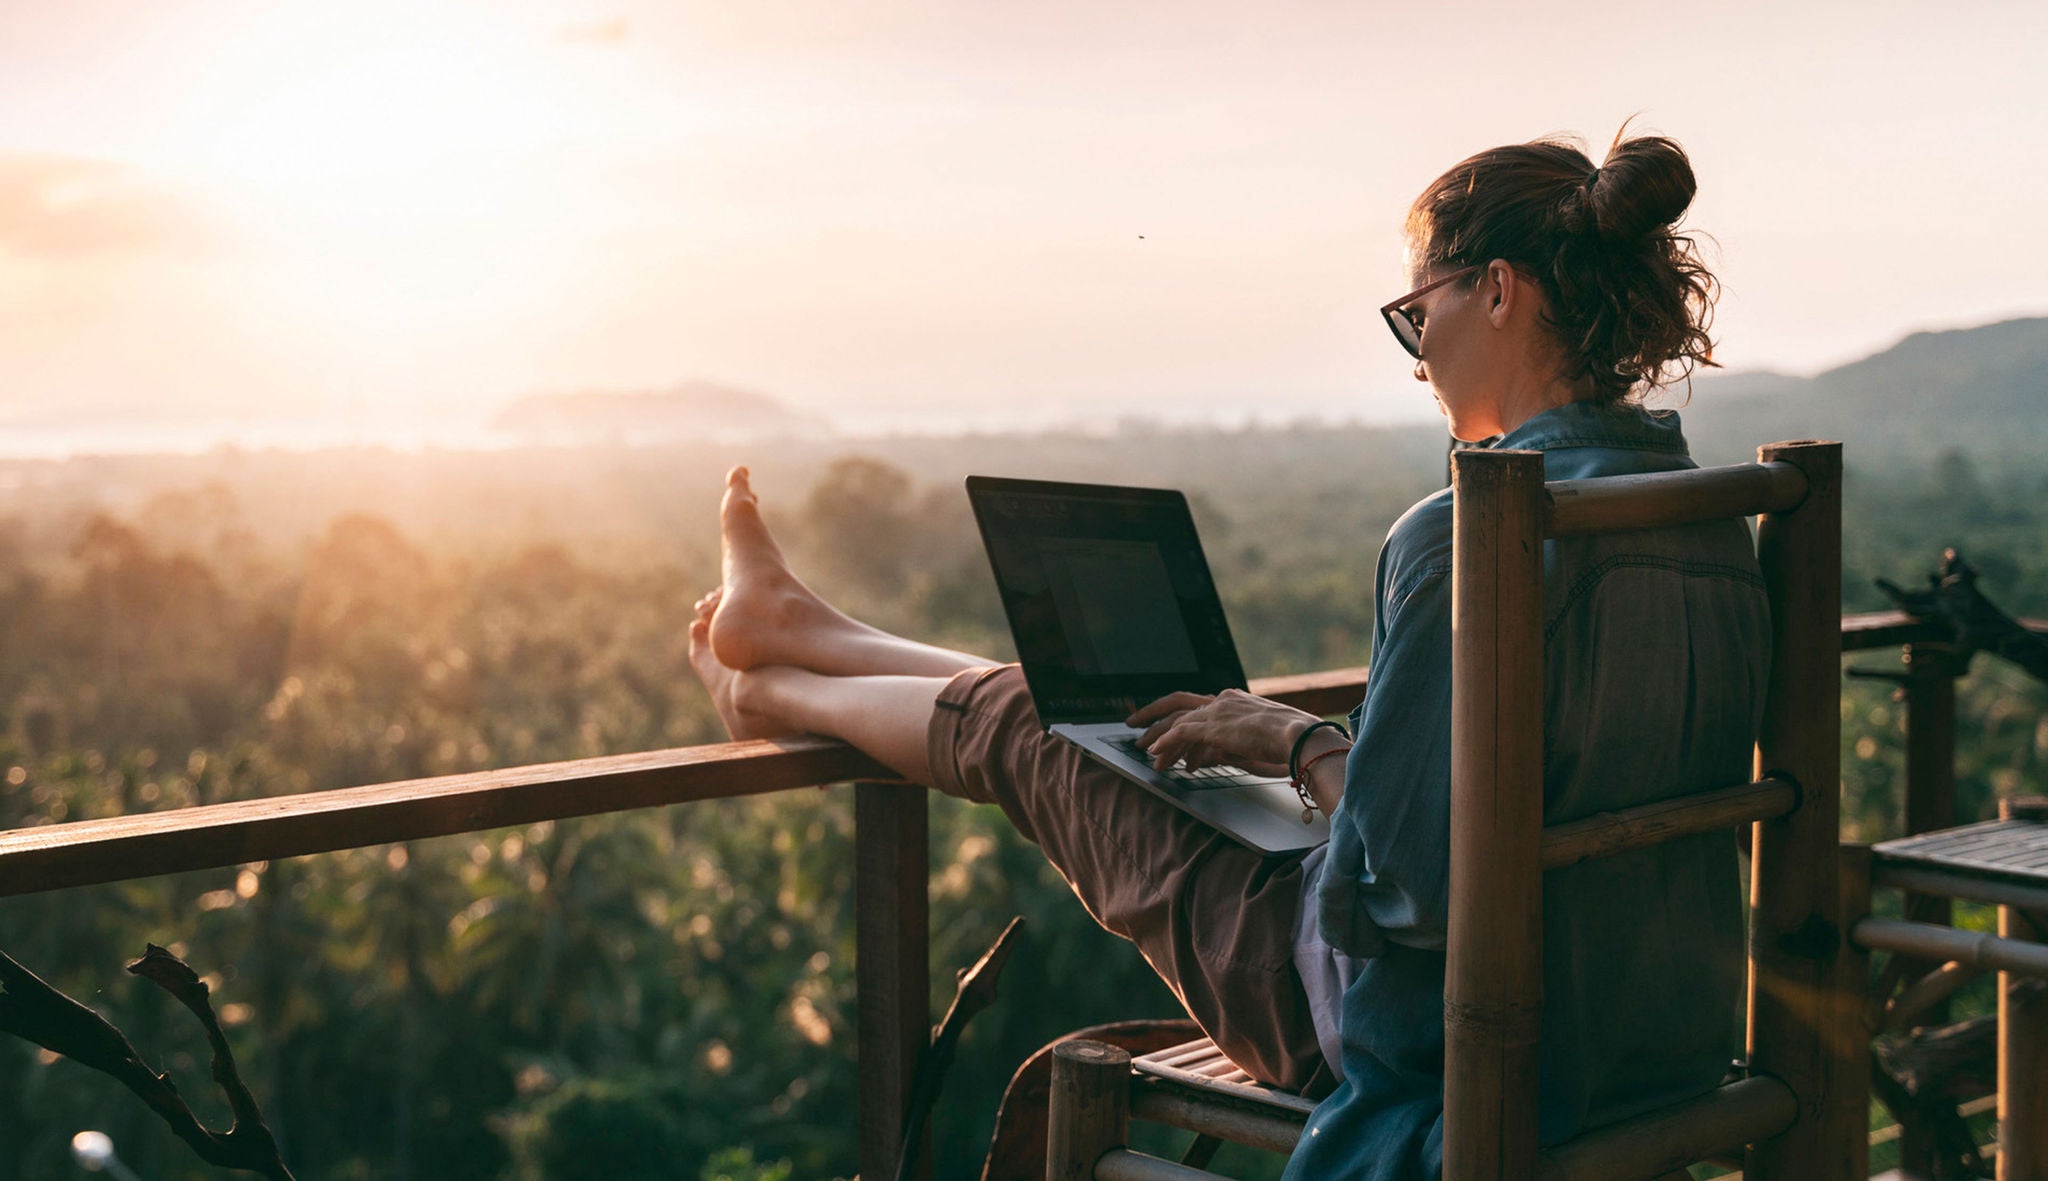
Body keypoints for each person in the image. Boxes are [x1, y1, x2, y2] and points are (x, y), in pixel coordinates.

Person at [687, 131, 1769, 1179]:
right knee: (1084, 706)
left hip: (1447, 1048)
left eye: (1413, 314)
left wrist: (1300, 749)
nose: (1416, 358)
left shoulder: (1469, 535)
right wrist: (1302, 756)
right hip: (1651, 1038)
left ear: (1496, 290)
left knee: (1042, 727)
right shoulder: (1711, 521)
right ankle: (800, 638)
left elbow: (1417, 895)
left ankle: (764, 682)